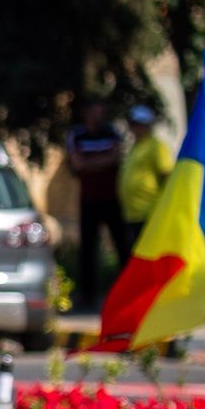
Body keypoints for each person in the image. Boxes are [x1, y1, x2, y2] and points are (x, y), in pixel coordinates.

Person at [66, 98, 128, 296]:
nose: (99, 114)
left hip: (111, 198)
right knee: (88, 249)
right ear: (87, 112)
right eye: (95, 110)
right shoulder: (77, 134)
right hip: (88, 200)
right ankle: (88, 295)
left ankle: (126, 290)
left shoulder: (111, 132)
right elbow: (77, 164)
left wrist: (90, 162)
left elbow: (115, 157)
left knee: (122, 246)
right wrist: (102, 162)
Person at [119, 105, 177, 230]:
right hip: (133, 214)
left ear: (149, 125)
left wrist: (164, 207)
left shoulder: (156, 146)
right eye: (133, 124)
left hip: (150, 212)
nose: (136, 128)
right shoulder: (136, 147)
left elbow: (166, 175)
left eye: (140, 124)